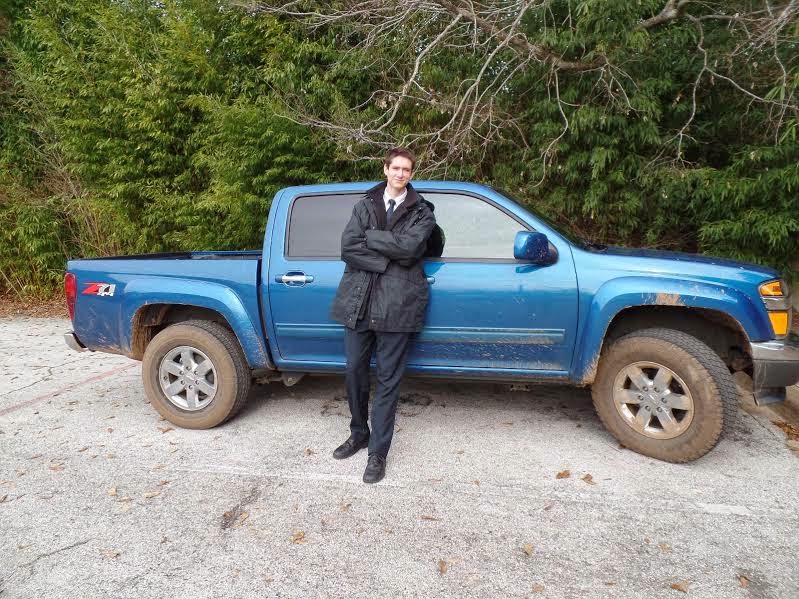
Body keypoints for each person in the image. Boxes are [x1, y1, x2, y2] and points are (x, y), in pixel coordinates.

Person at [330, 147, 437, 483]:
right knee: (354, 372)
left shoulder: (422, 212)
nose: (401, 174)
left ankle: (378, 453)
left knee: (389, 381)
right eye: (396, 168)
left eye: (406, 169)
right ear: (386, 169)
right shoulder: (364, 205)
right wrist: (387, 258)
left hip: (397, 305)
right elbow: (348, 248)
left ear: (411, 174)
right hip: (359, 302)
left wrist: (372, 238)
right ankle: (359, 432)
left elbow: (410, 249)